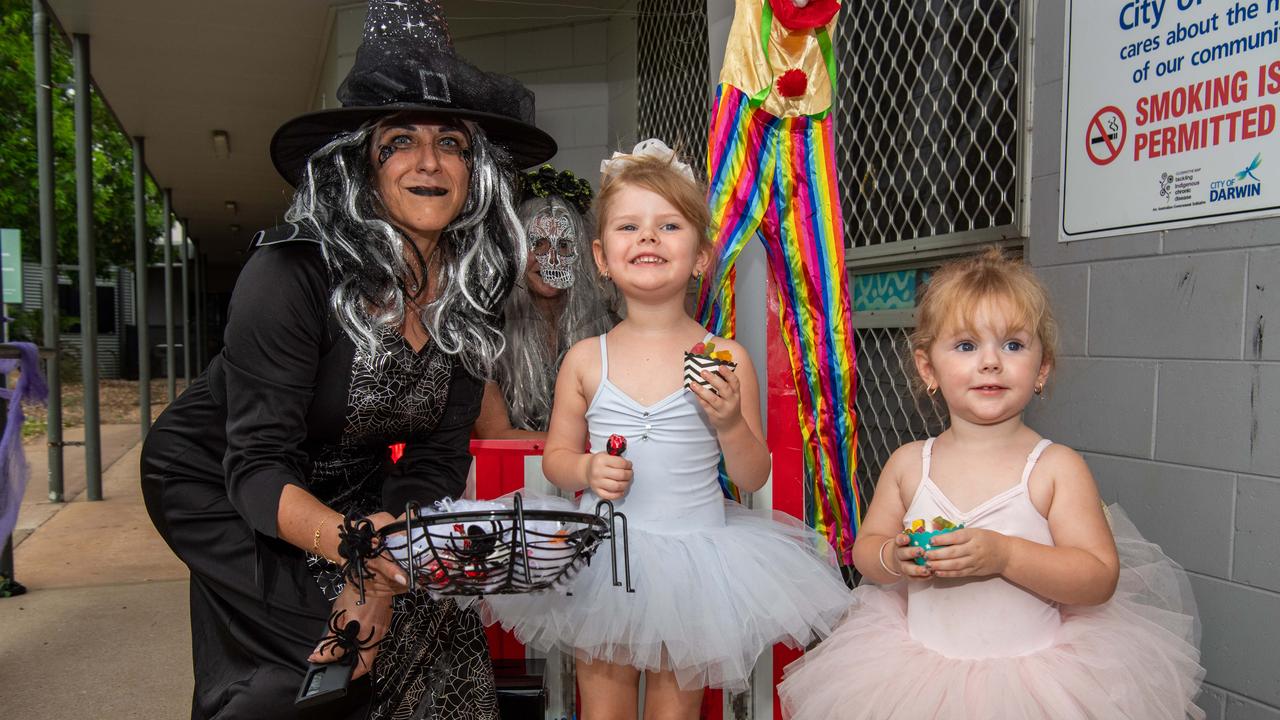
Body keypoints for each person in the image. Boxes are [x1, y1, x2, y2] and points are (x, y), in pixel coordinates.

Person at [139, 1, 556, 718]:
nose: (429, 161)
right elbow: (257, 462)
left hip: (352, 481)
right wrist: (364, 562)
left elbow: (436, 457)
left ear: (474, 170)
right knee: (319, 651)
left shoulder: (470, 292)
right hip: (225, 479)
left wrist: (390, 559)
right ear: (361, 163)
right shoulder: (291, 276)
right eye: (400, 140)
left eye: (451, 142)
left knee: (429, 625)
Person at [481, 140, 851, 719]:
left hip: (693, 564)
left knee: (674, 714)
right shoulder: (586, 357)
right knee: (602, 711)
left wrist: (728, 421)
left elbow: (754, 473)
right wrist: (584, 468)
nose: (648, 237)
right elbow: (556, 456)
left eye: (669, 225)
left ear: (701, 256)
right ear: (602, 257)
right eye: (630, 226)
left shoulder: (724, 356)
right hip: (602, 558)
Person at [778, 248, 1205, 719]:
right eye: (966, 346)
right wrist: (892, 558)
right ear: (928, 368)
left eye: (1013, 345)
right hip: (916, 681)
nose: (990, 363)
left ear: (1041, 369)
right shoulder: (908, 464)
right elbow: (866, 551)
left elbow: (1098, 577)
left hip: (1032, 689)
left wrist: (1005, 555)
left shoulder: (1054, 468)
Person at [475, 165, 616, 440]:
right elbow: (496, 434)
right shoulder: (487, 336)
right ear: (515, 250)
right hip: (510, 478)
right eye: (537, 243)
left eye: (563, 245)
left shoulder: (611, 330)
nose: (551, 258)